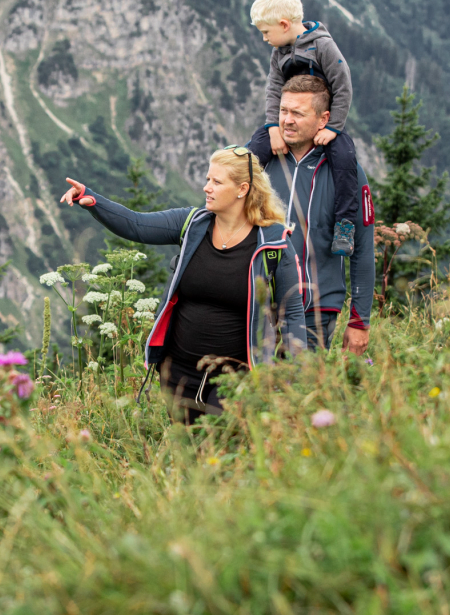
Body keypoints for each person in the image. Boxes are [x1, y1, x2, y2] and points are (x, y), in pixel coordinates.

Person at [58, 147, 298, 421]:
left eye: (217, 182)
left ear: (242, 189)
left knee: (220, 448)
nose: (206, 188)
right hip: (179, 371)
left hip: (236, 377)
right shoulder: (192, 224)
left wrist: (296, 381)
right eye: (208, 179)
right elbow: (137, 224)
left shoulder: (273, 244)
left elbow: (292, 313)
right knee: (188, 454)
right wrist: (91, 199)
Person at [243, 0, 365, 256]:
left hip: (324, 121)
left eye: (266, 32)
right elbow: (274, 89)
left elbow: (343, 86)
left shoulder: (323, 46)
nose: (265, 39)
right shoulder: (280, 53)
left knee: (345, 158)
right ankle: (240, 205)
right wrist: (273, 127)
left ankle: (344, 225)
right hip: (287, 119)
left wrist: (333, 128)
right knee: (253, 151)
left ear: (284, 24)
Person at [264, 74, 377, 354]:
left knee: (297, 395)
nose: (287, 120)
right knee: (243, 394)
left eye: (298, 113)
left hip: (314, 313)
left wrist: (359, 321)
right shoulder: (261, 164)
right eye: (283, 111)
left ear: (324, 119)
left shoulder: (347, 174)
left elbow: (362, 251)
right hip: (255, 309)